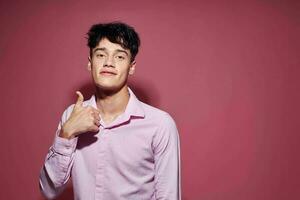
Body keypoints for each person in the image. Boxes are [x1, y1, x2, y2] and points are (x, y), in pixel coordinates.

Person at [39, 22, 181, 200]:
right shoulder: (72, 116)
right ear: (90, 64)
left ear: (132, 67)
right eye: (100, 55)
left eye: (120, 57)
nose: (108, 62)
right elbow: (48, 190)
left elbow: (168, 195)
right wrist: (66, 134)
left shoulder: (160, 125)